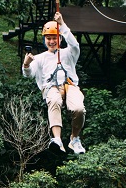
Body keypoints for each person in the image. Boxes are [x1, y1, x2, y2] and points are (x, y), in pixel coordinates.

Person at [22, 11, 86, 154]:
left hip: (70, 85)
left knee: (79, 109)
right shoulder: (39, 58)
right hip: (51, 87)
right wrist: (26, 64)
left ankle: (74, 139)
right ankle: (57, 139)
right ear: (44, 40)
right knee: (54, 100)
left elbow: (75, 45)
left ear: (60, 39)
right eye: (49, 38)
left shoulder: (68, 53)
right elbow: (28, 74)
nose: (51, 41)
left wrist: (62, 25)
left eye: (54, 38)